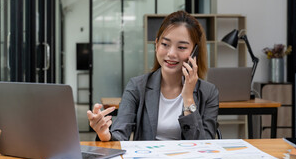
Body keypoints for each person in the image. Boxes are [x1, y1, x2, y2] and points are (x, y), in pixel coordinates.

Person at [87, 10, 219, 141]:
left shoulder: (208, 92)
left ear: (195, 52)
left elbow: (204, 145)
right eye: (165, 44)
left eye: (182, 47)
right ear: (156, 45)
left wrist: (188, 98)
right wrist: (105, 134)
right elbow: (120, 133)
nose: (171, 53)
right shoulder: (137, 86)